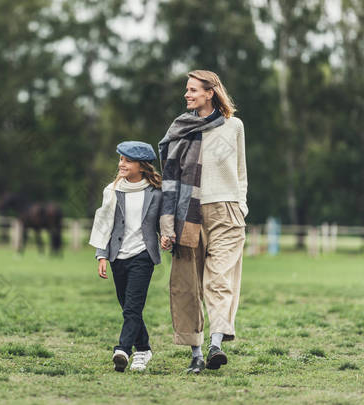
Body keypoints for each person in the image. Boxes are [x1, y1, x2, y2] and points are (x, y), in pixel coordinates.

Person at [158, 70, 247, 374]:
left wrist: (241, 205)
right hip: (188, 214)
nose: (187, 94)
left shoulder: (233, 126)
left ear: (211, 92)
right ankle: (195, 352)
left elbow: (240, 171)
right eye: (187, 89)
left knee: (219, 280)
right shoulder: (181, 129)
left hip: (226, 212)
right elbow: (169, 183)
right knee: (188, 284)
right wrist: (167, 226)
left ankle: (216, 343)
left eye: (193, 89)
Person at [89, 141, 163, 372]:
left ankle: (123, 349)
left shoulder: (156, 192)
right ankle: (144, 349)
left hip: (143, 255)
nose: (121, 164)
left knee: (133, 306)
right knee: (127, 305)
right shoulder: (112, 191)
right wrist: (101, 255)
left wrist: (167, 236)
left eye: (127, 161)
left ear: (142, 166)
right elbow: (103, 225)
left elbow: (165, 220)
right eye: (120, 159)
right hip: (117, 256)